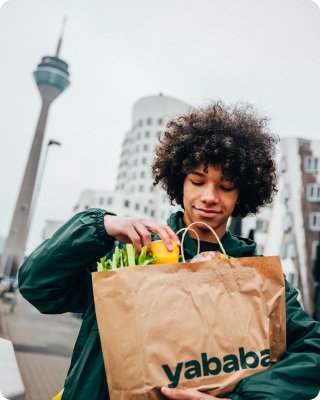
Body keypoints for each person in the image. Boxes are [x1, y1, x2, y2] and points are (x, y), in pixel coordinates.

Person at [19, 102, 320, 400]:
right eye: (198, 181)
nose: (209, 197)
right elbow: (39, 286)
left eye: (226, 186)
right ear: (180, 182)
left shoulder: (259, 278)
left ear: (243, 194)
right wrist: (101, 225)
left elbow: (312, 350)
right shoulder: (128, 255)